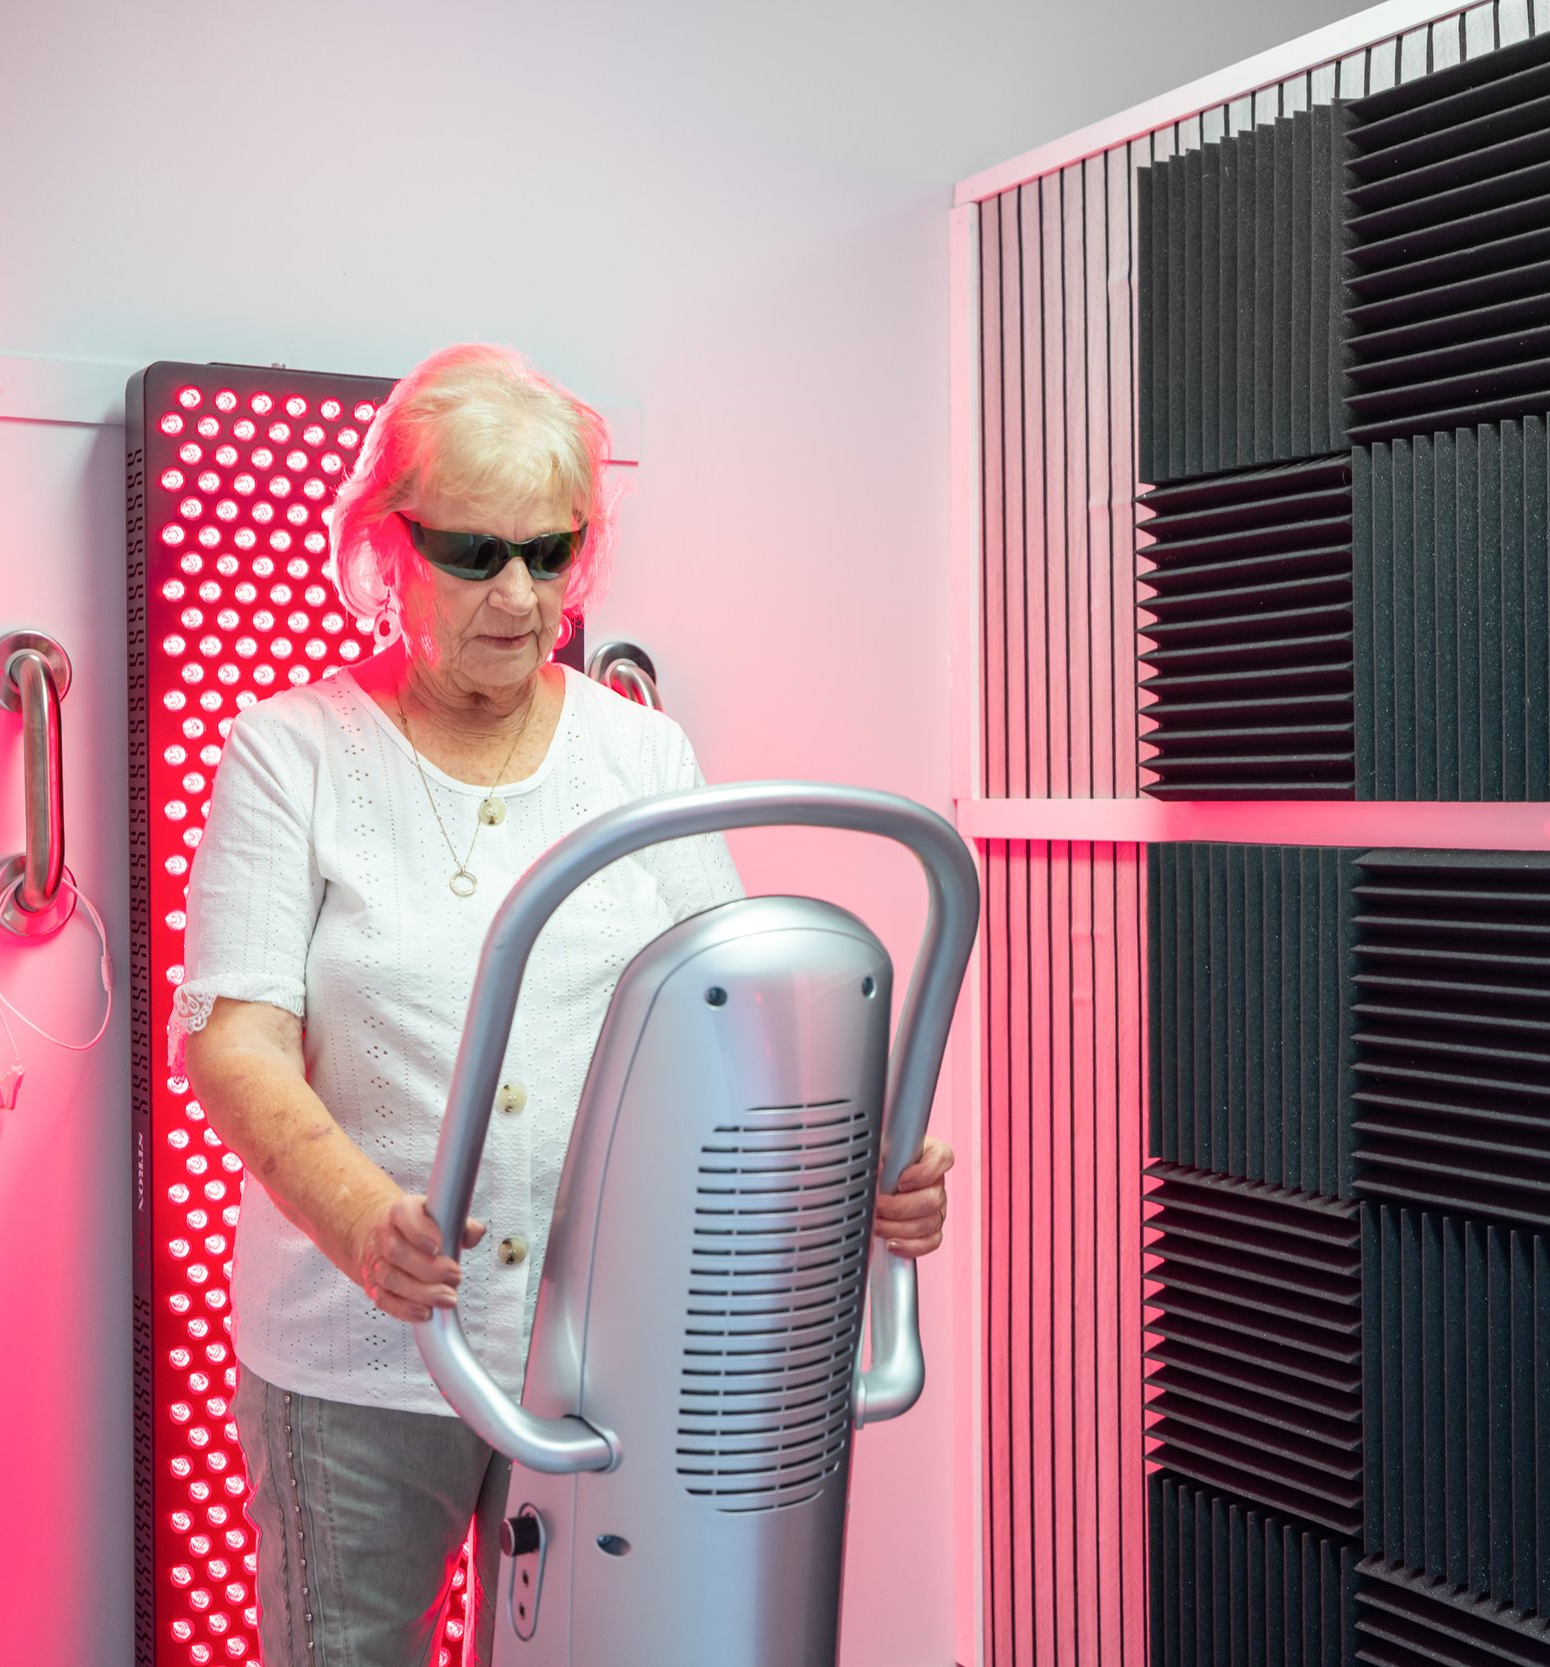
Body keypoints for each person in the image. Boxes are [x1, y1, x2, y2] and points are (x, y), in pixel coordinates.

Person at [175, 342, 954, 1667]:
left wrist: (862, 1171)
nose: (521, 595)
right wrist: (366, 1223)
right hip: (362, 1364)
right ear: (389, 548)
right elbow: (235, 1037)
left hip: (603, 1350)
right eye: (475, 554)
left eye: (552, 552)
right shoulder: (290, 752)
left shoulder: (640, 753)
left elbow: (740, 1024)